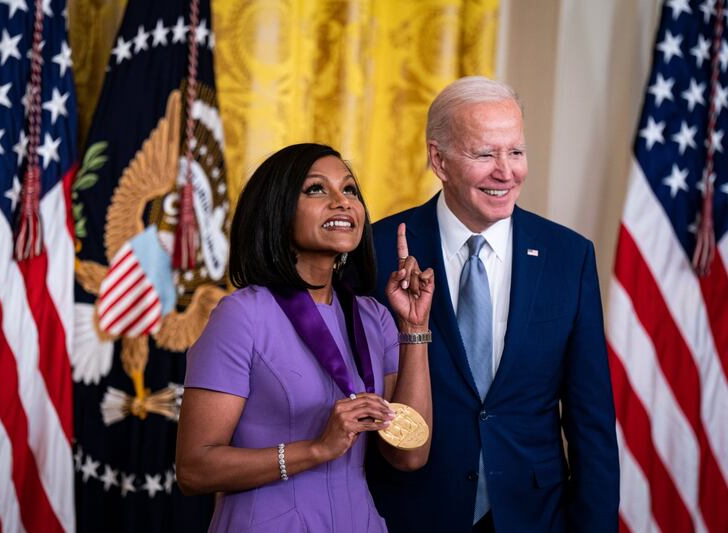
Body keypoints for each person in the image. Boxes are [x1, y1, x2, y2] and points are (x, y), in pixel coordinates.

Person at [367, 76, 619, 532]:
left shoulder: (568, 256)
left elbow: (591, 422)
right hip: (408, 511)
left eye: (516, 152)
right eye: (485, 154)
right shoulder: (378, 250)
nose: (506, 171)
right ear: (438, 160)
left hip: (532, 515)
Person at [176, 143, 435, 532]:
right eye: (316, 189)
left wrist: (414, 327)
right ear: (278, 210)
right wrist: (316, 449)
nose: (342, 202)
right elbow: (194, 469)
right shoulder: (242, 315)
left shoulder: (374, 317)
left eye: (349, 190)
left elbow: (409, 455)